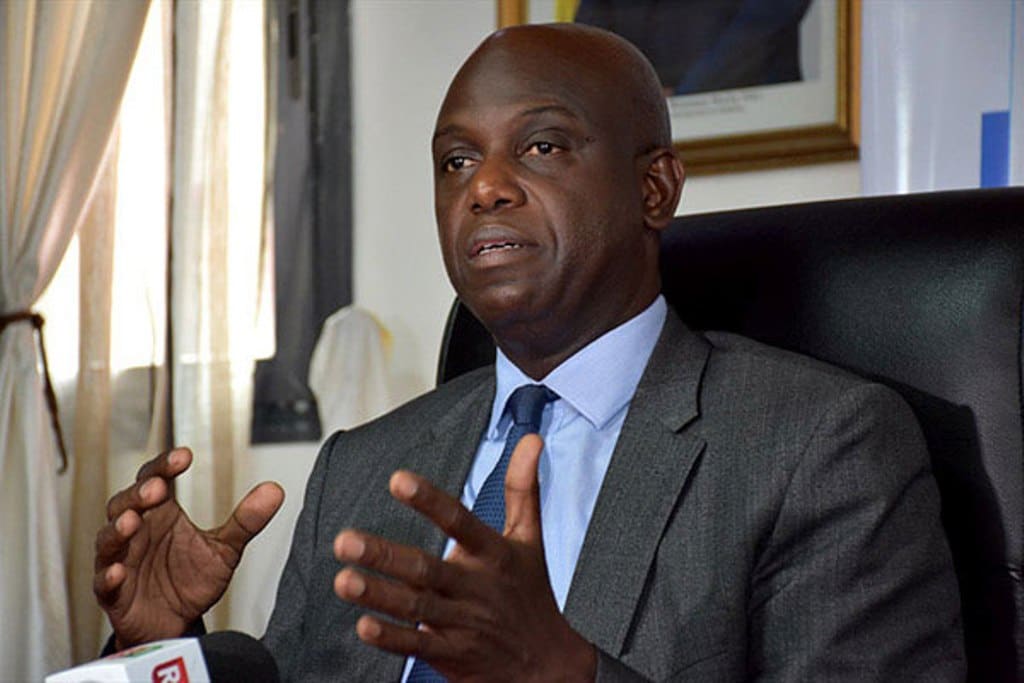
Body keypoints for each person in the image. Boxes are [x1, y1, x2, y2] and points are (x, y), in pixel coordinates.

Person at [93, 23, 965, 681]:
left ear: (654, 188)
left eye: (541, 146)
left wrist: (565, 674)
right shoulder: (361, 469)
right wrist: (161, 647)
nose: (484, 187)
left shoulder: (822, 446)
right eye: (455, 161)